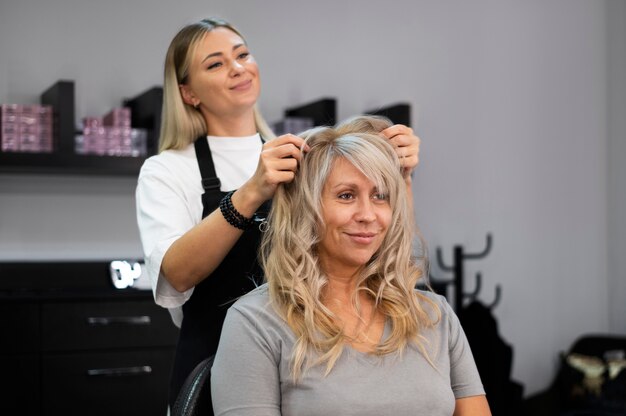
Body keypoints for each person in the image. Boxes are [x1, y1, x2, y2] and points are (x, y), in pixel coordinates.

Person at [135, 19, 422, 411]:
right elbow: (175, 275)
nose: (237, 68)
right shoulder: (167, 170)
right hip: (214, 368)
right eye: (215, 64)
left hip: (306, 365)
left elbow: (376, 245)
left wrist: (399, 174)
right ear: (187, 92)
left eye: (242, 55)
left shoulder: (304, 155)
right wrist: (251, 192)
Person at [211, 115, 491, 416]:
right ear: (306, 209)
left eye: (380, 196)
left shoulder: (434, 316)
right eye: (346, 196)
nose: (368, 214)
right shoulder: (256, 323)